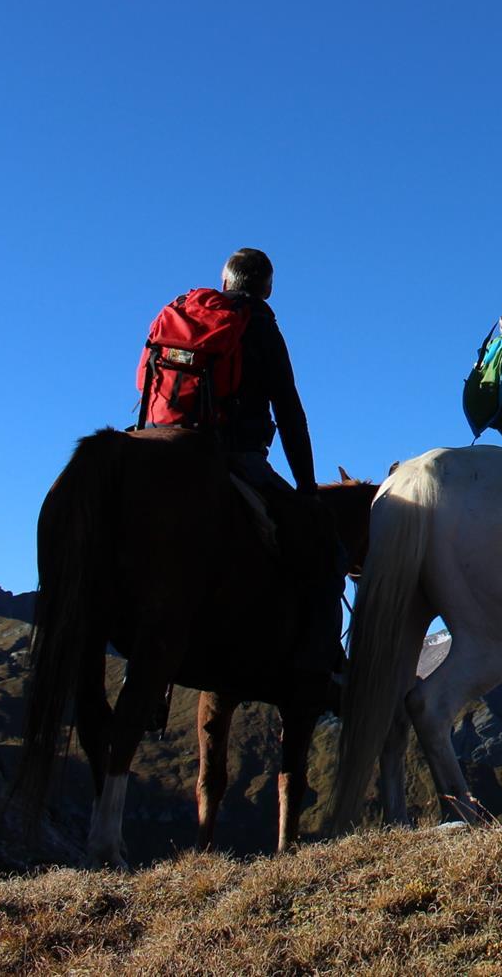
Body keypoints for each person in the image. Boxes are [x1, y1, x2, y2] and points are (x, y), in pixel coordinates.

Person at [211, 247, 345, 691]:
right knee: (326, 549)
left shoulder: (188, 315)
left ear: (224, 282)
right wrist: (307, 489)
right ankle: (318, 667)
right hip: (237, 455)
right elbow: (288, 411)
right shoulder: (261, 325)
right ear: (267, 288)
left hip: (166, 439)